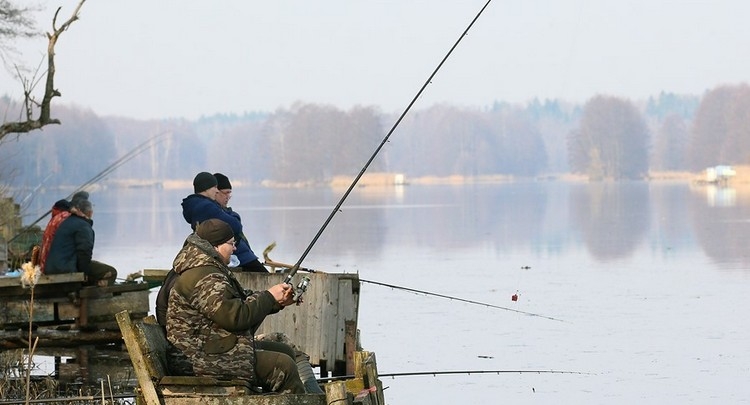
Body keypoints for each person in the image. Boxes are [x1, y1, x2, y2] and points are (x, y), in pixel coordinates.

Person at [164, 218, 307, 393]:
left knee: (284, 351)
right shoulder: (204, 276)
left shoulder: (208, 268)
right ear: (216, 246)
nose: (235, 248)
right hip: (197, 358)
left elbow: (239, 300)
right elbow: (235, 317)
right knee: (283, 365)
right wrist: (269, 296)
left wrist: (277, 300)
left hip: (210, 347)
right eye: (231, 243)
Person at [181, 172, 266, 272]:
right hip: (238, 256)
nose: (216, 191)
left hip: (234, 255)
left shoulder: (197, 205)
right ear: (206, 188)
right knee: (264, 276)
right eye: (215, 187)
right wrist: (232, 214)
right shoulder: (206, 206)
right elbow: (235, 226)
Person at [45, 199, 117, 286]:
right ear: (90, 213)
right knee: (112, 272)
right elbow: (84, 252)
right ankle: (89, 296)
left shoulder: (67, 222)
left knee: (91, 269)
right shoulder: (84, 227)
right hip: (66, 269)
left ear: (78, 210)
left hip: (51, 268)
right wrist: (85, 274)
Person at [213, 172, 267, 273]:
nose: (228, 197)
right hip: (240, 257)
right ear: (215, 192)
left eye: (230, 193)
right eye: (225, 193)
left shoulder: (227, 212)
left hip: (246, 256)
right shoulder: (215, 213)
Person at [38, 191, 90, 273]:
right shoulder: (68, 219)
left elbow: (60, 203)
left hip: (46, 264)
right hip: (56, 266)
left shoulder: (58, 217)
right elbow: (84, 250)